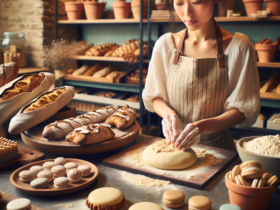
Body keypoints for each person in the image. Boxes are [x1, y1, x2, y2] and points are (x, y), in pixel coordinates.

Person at [142, 0, 260, 151]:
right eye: (179, 3)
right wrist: (169, 115)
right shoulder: (165, 45)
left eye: (196, 1)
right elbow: (154, 97)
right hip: (175, 148)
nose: (187, 12)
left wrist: (202, 127)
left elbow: (243, 111)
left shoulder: (239, 47)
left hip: (219, 150)